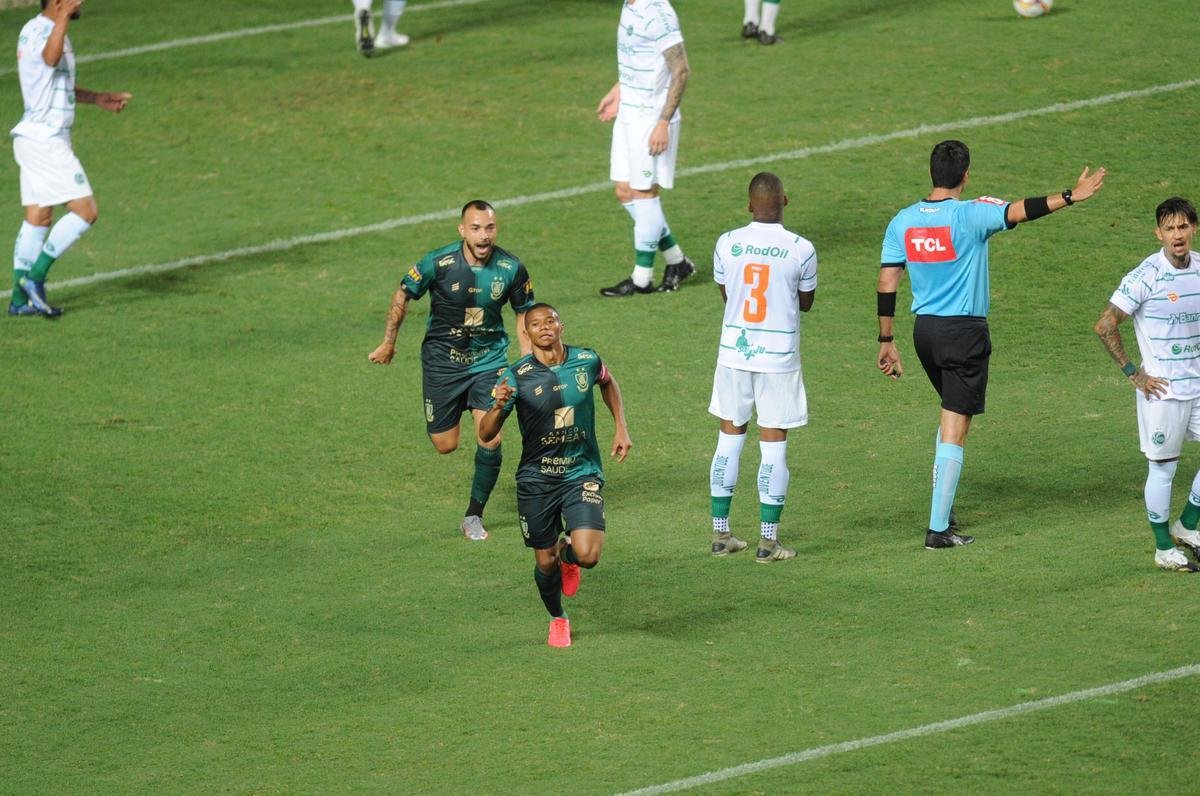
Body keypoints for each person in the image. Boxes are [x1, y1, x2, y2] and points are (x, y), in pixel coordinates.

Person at [876, 139, 1106, 549]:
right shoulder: (970, 215)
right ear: (965, 176)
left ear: (931, 173)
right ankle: (938, 530)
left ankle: (940, 511)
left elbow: (887, 282)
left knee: (950, 413)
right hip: (963, 333)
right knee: (955, 428)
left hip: (923, 333)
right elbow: (1019, 209)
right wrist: (1072, 196)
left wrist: (886, 339)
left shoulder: (903, 221)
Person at [368, 200, 534, 541]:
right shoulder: (437, 263)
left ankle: (473, 515)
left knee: (490, 435)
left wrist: (527, 360)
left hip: (489, 362)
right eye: (475, 228)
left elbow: (523, 314)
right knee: (445, 444)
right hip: (442, 363)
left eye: (489, 228)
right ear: (462, 230)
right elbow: (403, 295)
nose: (483, 235)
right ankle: (458, 405)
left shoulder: (511, 267)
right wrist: (388, 342)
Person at [479, 304, 632, 647]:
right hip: (537, 479)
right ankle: (558, 617)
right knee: (544, 562)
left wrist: (621, 427)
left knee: (589, 555)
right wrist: (498, 406)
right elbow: (487, 434)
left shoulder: (587, 360)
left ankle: (570, 556)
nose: (544, 327)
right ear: (527, 334)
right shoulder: (514, 376)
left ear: (561, 325)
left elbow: (608, 382)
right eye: (535, 324)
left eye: (550, 321)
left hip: (582, 471)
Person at [708, 172, 816, 563]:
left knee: (728, 441)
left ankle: (721, 535)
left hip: (734, 356)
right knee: (773, 447)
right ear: (784, 201)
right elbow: (806, 302)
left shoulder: (728, 243)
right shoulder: (801, 249)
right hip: (778, 358)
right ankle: (768, 542)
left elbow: (727, 293)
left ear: (749, 204)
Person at [1094, 197, 1200, 572]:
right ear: (1159, 233)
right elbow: (1105, 325)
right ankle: (1162, 548)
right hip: (1164, 392)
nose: (1177, 235)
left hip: (1199, 385)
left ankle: (1187, 525)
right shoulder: (1145, 277)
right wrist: (1134, 374)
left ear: (1194, 228)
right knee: (1164, 469)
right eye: (1169, 228)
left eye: (1183, 226)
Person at [9, 0, 131, 318]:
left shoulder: (40, 30)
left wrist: (97, 98)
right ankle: (34, 278)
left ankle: (19, 302)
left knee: (38, 218)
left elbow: (56, 84)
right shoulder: (44, 31)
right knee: (86, 211)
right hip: (45, 140)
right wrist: (62, 18)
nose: (81, 2)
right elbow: (50, 60)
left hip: (36, 138)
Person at [596, 0, 696, 297]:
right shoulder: (630, 6)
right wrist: (619, 88)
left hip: (650, 120)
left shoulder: (658, 13)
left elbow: (681, 70)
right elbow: (638, 58)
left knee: (644, 193)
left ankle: (641, 279)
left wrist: (663, 122)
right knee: (625, 191)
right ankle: (678, 261)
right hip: (629, 114)